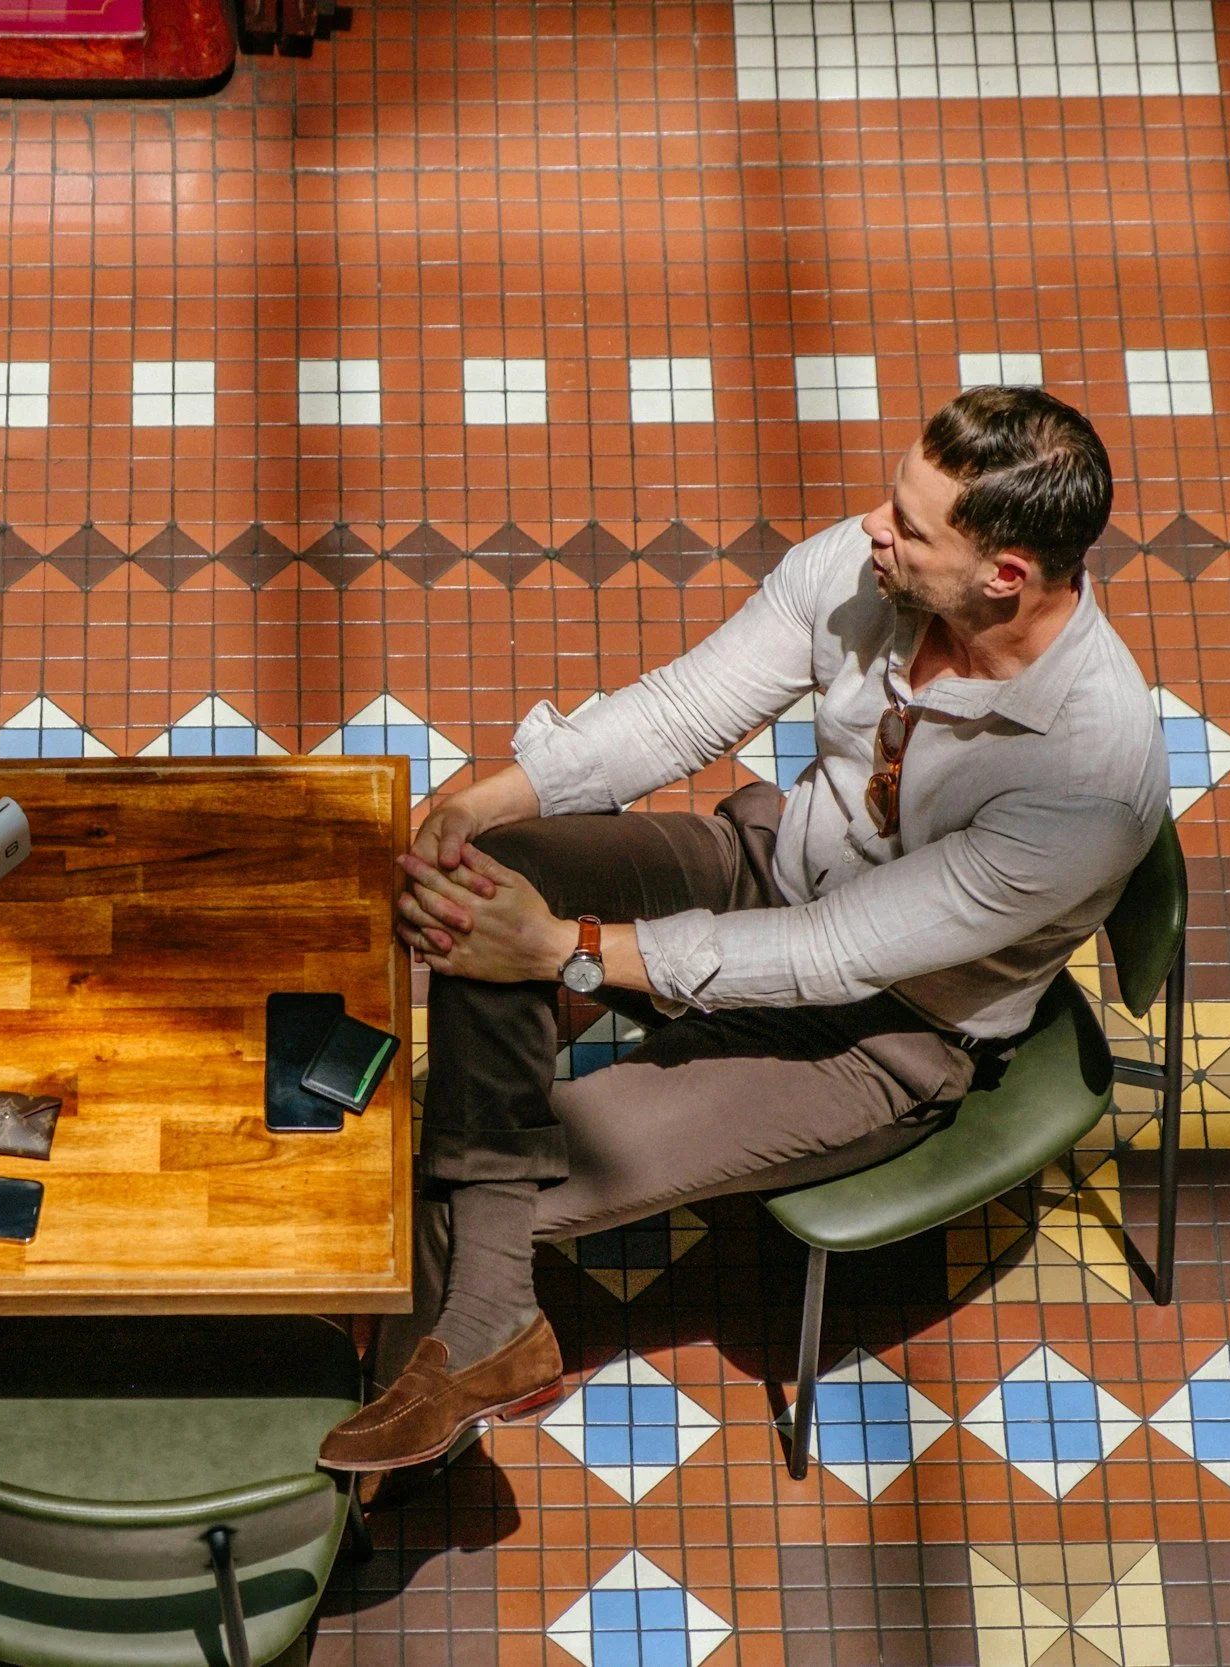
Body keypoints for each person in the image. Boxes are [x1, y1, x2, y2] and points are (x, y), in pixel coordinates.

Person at [320, 386, 1168, 1473]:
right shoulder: (871, 569)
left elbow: (836, 953)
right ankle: (493, 1326)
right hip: (764, 867)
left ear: (1004, 574)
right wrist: (483, 805)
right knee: (498, 872)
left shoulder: (1085, 786)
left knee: (466, 1173)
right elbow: (681, 711)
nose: (874, 526)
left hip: (879, 1033)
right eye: (890, 501)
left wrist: (568, 950)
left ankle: (400, 1442)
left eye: (910, 524)